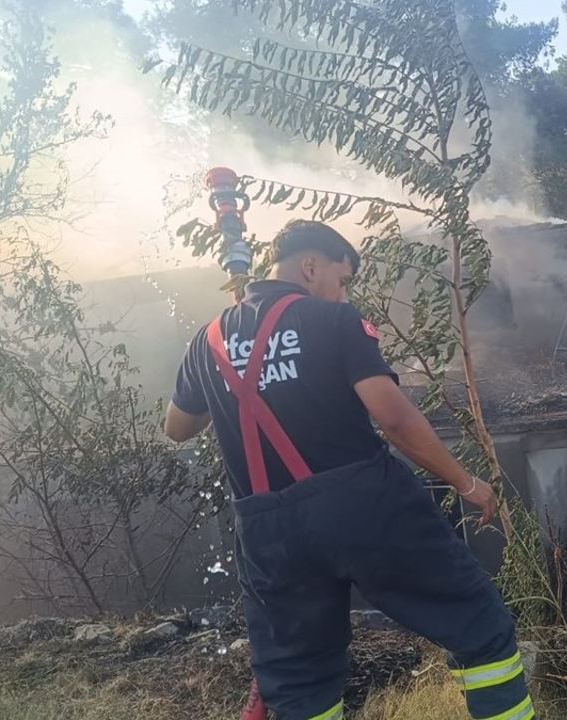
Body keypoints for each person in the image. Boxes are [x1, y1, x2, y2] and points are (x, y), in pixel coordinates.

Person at [164, 221, 533, 720]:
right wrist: (466, 483)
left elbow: (178, 427)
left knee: (300, 683)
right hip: (364, 509)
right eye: (343, 281)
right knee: (478, 622)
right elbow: (395, 418)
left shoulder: (206, 342)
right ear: (311, 266)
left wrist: (238, 372)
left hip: (269, 533)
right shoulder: (332, 322)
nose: (343, 295)